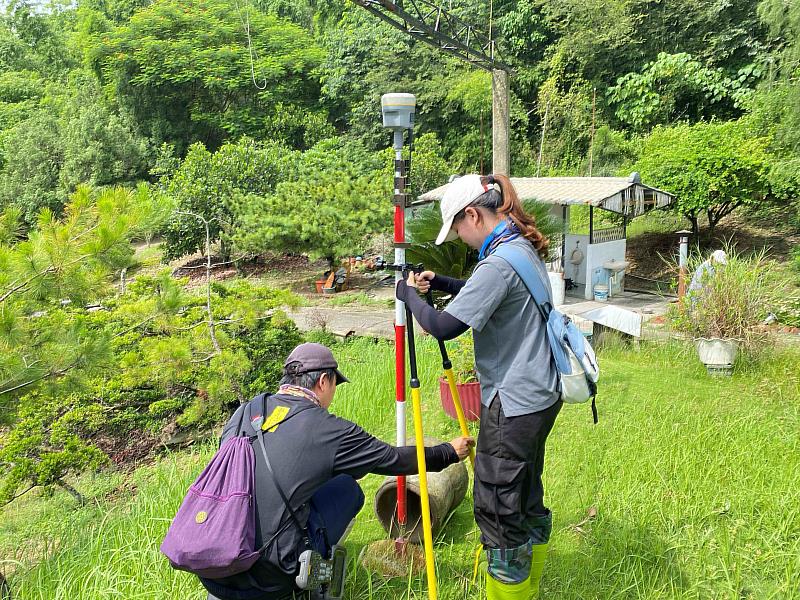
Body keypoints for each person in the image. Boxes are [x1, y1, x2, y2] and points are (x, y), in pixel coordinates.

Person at [395, 174, 561, 600]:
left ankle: (511, 588)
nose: (459, 239)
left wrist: (409, 296)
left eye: (457, 229)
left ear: (474, 214)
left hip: (513, 400)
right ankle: (532, 582)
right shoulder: (519, 248)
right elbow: (490, 292)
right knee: (525, 491)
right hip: (541, 395)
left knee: (498, 506)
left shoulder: (497, 262)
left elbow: (444, 326)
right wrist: (444, 284)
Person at [201, 342, 474, 600]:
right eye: (334, 384)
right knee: (347, 487)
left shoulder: (247, 410)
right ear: (323, 381)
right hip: (270, 576)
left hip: (214, 561)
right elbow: (392, 459)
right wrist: (447, 451)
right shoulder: (327, 429)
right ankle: (313, 576)